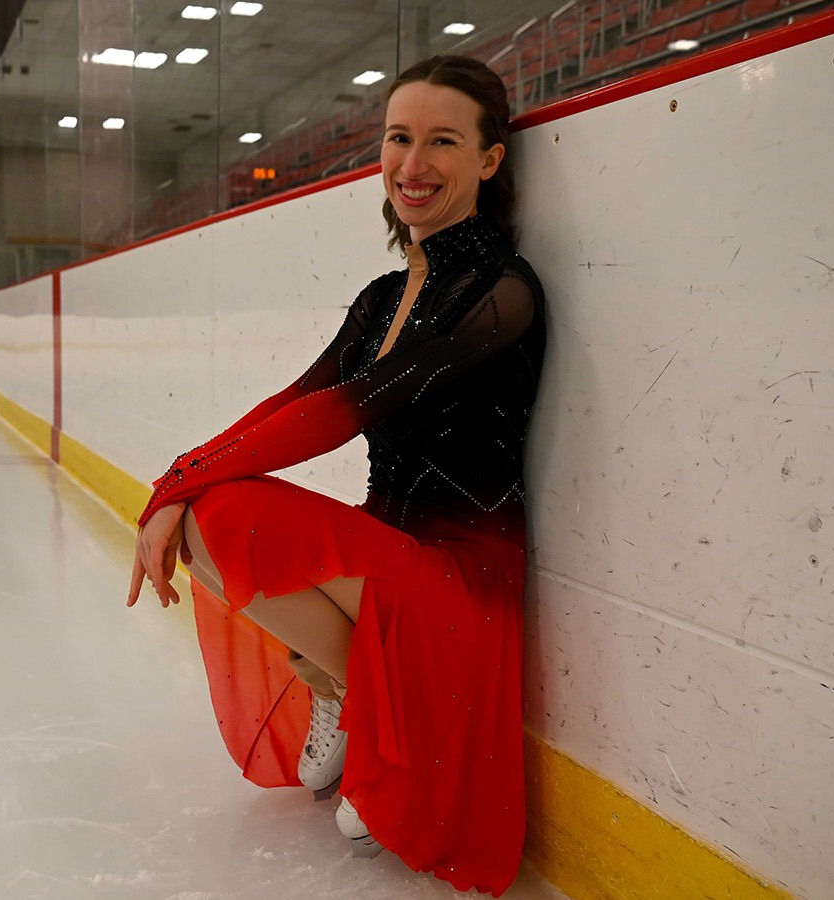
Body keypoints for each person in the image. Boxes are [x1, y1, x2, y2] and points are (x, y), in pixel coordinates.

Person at [126, 54, 546, 896]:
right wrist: (177, 480)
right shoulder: (383, 294)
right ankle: (350, 694)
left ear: (489, 159)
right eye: (399, 138)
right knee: (209, 511)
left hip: (460, 583)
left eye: (442, 142)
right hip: (389, 553)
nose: (413, 165)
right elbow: (295, 397)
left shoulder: (500, 293)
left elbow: (339, 412)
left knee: (222, 510)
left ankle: (369, 708)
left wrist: (181, 484)